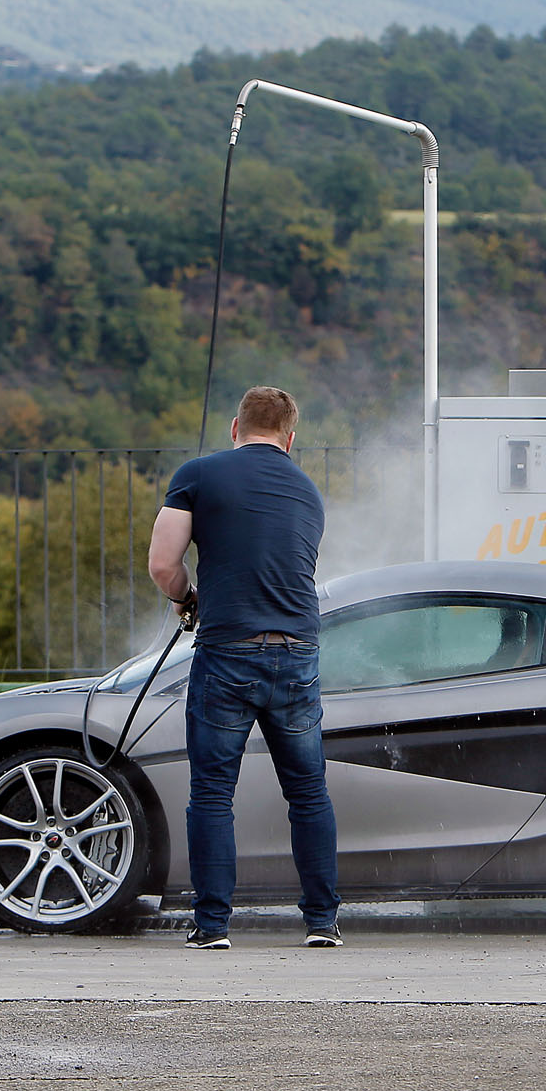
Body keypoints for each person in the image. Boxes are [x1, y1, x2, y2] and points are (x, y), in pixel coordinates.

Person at [146, 384, 340, 950]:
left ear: (236, 428)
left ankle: (211, 927)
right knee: (308, 791)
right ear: (291, 438)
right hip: (299, 654)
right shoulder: (309, 492)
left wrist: (187, 598)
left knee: (211, 793)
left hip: (229, 652)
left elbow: (163, 564)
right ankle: (322, 922)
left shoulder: (199, 475)